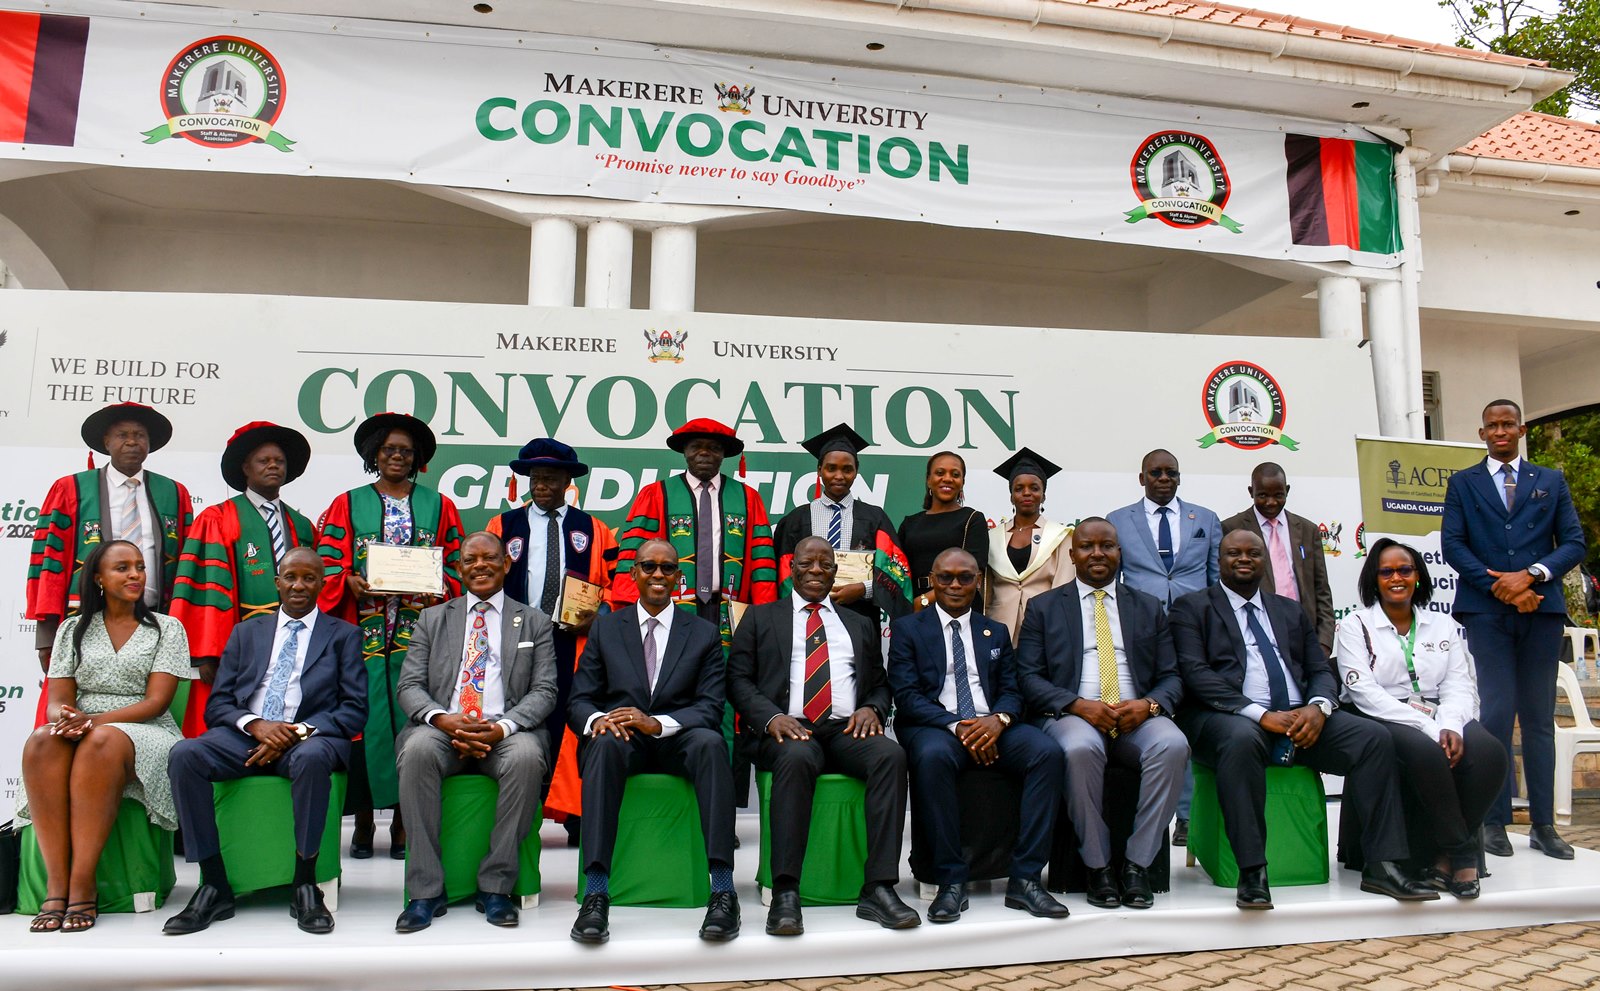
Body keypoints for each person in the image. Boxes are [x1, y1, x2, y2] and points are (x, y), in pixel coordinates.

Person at [1170, 530, 1436, 909]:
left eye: (1253, 553)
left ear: (1264, 561)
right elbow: (1196, 675)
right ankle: (1253, 871)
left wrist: (1318, 707)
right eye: (1234, 553)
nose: (1243, 559)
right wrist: (1262, 715)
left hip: (1301, 718)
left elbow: (1320, 669)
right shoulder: (1191, 608)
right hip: (1229, 716)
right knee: (1241, 740)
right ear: (1219, 560)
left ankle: (1382, 864)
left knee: (1374, 739)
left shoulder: (1288, 610)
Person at [163, 547, 366, 935]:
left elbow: (353, 710)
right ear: (278, 583)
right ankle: (213, 884)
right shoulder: (247, 632)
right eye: (291, 577)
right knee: (186, 754)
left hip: (308, 739)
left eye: (309, 578)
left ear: (322, 584)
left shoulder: (344, 636)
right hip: (248, 737)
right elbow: (219, 704)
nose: (299, 585)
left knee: (310, 759)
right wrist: (256, 725)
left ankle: (305, 884)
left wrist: (295, 732)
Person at [726, 536, 920, 935]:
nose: (816, 570)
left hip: (844, 728)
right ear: (791, 568)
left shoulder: (858, 622)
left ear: (836, 572)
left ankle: (879, 888)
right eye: (807, 563)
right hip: (788, 728)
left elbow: (880, 684)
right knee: (796, 758)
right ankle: (786, 892)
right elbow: (738, 680)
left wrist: (873, 708)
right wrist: (771, 717)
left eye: (825, 564)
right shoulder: (761, 618)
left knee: (891, 756)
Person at [568, 539, 740, 944]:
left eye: (667, 568)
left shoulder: (703, 632)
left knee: (711, 743)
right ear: (634, 574)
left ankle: (722, 889)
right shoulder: (607, 627)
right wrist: (600, 721)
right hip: (622, 738)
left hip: (675, 736)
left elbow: (710, 706)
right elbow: (580, 700)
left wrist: (655, 723)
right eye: (649, 567)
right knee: (603, 744)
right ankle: (595, 895)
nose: (658, 575)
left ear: (679, 578)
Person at [887, 548, 1071, 924]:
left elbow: (1012, 689)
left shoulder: (995, 631)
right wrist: (959, 725)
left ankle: (1026, 878)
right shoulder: (909, 629)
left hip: (993, 725)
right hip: (936, 726)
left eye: (965, 577)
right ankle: (951, 881)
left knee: (1047, 753)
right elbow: (906, 696)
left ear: (978, 582)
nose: (956, 585)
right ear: (932, 581)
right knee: (933, 757)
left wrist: (999, 720)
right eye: (946, 577)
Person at [17, 540, 191, 933]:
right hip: (86, 725)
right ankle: (56, 885)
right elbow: (56, 702)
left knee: (104, 740)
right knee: (42, 739)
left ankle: (82, 886)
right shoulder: (71, 629)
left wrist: (91, 722)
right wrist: (68, 719)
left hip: (144, 730)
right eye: (122, 568)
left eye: (140, 567)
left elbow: (156, 703)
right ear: (98, 578)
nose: (135, 575)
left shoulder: (167, 628)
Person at [1442, 398, 1587, 861]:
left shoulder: (1550, 480)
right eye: (1492, 425)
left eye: (1508, 424)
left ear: (1522, 430)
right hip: (1487, 614)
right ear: (1481, 433)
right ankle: (1493, 822)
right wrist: (1501, 586)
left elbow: (1573, 542)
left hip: (1541, 610)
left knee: (1540, 720)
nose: (1500, 431)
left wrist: (1534, 576)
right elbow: (1454, 545)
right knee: (1497, 717)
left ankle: (1544, 826)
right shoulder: (1463, 483)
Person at [1016, 518, 1187, 910]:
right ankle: (1098, 867)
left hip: (1136, 717)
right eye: (1088, 546)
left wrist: (1148, 706)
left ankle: (1136, 865)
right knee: (1078, 750)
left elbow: (1172, 676)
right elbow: (1028, 676)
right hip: (1072, 714)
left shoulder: (1146, 606)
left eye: (1106, 546)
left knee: (1173, 745)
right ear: (1072, 554)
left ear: (1119, 553)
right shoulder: (1044, 608)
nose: (1097, 554)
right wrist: (1078, 705)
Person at [392, 532, 558, 933]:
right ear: (459, 568)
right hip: (444, 728)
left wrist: (501, 728)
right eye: (470, 560)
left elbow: (545, 690)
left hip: (505, 730)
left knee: (525, 757)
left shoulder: (533, 620)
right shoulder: (433, 618)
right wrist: (441, 719)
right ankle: (425, 892)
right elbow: (409, 686)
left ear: (506, 564)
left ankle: (497, 887)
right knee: (415, 751)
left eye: (489, 558)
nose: (480, 565)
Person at [317, 411, 465, 860]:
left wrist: (437, 582)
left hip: (418, 633)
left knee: (414, 719)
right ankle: (363, 823)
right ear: (374, 455)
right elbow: (328, 560)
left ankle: (403, 823)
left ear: (417, 458)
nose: (397, 456)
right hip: (364, 634)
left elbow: (459, 567)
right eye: (388, 450)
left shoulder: (440, 506)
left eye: (405, 450)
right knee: (364, 721)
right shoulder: (348, 503)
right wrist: (347, 581)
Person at [609, 417, 778, 800]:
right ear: (684, 451)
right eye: (697, 446)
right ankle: (675, 793)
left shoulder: (747, 498)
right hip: (672, 613)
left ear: (725, 455)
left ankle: (722, 806)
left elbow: (762, 561)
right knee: (672, 692)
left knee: (728, 701)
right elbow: (634, 558)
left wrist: (762, 616)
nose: (705, 453)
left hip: (728, 613)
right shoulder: (657, 494)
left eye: (713, 448)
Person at [1335, 538, 1508, 899]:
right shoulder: (1356, 624)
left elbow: (1459, 683)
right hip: (1382, 713)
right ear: (1374, 578)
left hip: (1440, 711)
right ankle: (1461, 854)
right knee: (1428, 751)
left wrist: (1450, 725)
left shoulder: (1442, 624)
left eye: (1405, 570)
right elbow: (1365, 692)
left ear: (1418, 576)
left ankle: (1443, 856)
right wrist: (1430, 728)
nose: (1396, 578)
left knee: (1490, 754)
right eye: (1386, 572)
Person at [26, 402, 193, 724]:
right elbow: (48, 564)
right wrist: (46, 635)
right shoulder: (71, 489)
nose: (132, 442)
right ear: (106, 442)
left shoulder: (174, 492)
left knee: (150, 712)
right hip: (84, 620)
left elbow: (186, 566)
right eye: (122, 435)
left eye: (140, 435)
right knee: (64, 720)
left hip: (154, 622)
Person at [485, 437, 618, 839]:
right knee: (516, 714)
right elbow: (484, 577)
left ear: (567, 482)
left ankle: (576, 811)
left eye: (551, 479)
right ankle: (519, 806)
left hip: (573, 639)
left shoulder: (592, 529)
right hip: (515, 636)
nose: (541, 486)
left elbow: (614, 585)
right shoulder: (502, 526)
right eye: (535, 478)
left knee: (572, 719)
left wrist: (599, 614)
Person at [170, 421, 316, 737]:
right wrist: (208, 651)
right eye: (264, 460)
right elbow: (206, 588)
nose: (274, 465)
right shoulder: (218, 518)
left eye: (279, 460)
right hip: (238, 643)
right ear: (246, 468)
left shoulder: (301, 525)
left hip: (292, 641)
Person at [1107, 448, 1220, 844]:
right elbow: (1112, 583)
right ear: (1142, 478)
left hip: (1193, 631)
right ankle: (1150, 810)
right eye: (1155, 473)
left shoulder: (1204, 519)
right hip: (1142, 633)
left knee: (1190, 717)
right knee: (1155, 719)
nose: (1164, 479)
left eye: (1171, 472)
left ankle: (1189, 816)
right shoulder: (1118, 521)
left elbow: (1214, 581)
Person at [772, 423, 913, 628]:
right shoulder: (796, 520)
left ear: (856, 472)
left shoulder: (874, 518)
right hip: (805, 618)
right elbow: (783, 574)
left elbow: (896, 573)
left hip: (860, 617)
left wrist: (864, 589)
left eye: (847, 469)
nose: (839, 476)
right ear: (819, 470)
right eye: (831, 468)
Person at [1221, 462, 1336, 656]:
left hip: (1303, 634)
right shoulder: (1231, 529)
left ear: (1287, 490)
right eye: (1262, 495)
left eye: (1278, 495)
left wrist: (1324, 643)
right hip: (1255, 636)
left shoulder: (1308, 530)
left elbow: (1321, 589)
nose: (1271, 502)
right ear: (1251, 491)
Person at [986, 448, 1074, 642]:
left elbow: (1063, 588)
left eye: (1034, 488)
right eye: (1019, 488)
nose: (1027, 493)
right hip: (998, 629)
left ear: (1043, 495)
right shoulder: (992, 538)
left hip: (1045, 629)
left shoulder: (1060, 536)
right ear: (1011, 496)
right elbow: (988, 589)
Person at [898, 451, 990, 613]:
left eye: (955, 474)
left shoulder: (972, 519)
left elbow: (972, 573)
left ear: (962, 482)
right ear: (928, 480)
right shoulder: (910, 523)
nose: (947, 478)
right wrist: (911, 605)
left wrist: (924, 601)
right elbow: (899, 572)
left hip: (958, 606)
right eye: (940, 473)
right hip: (915, 611)